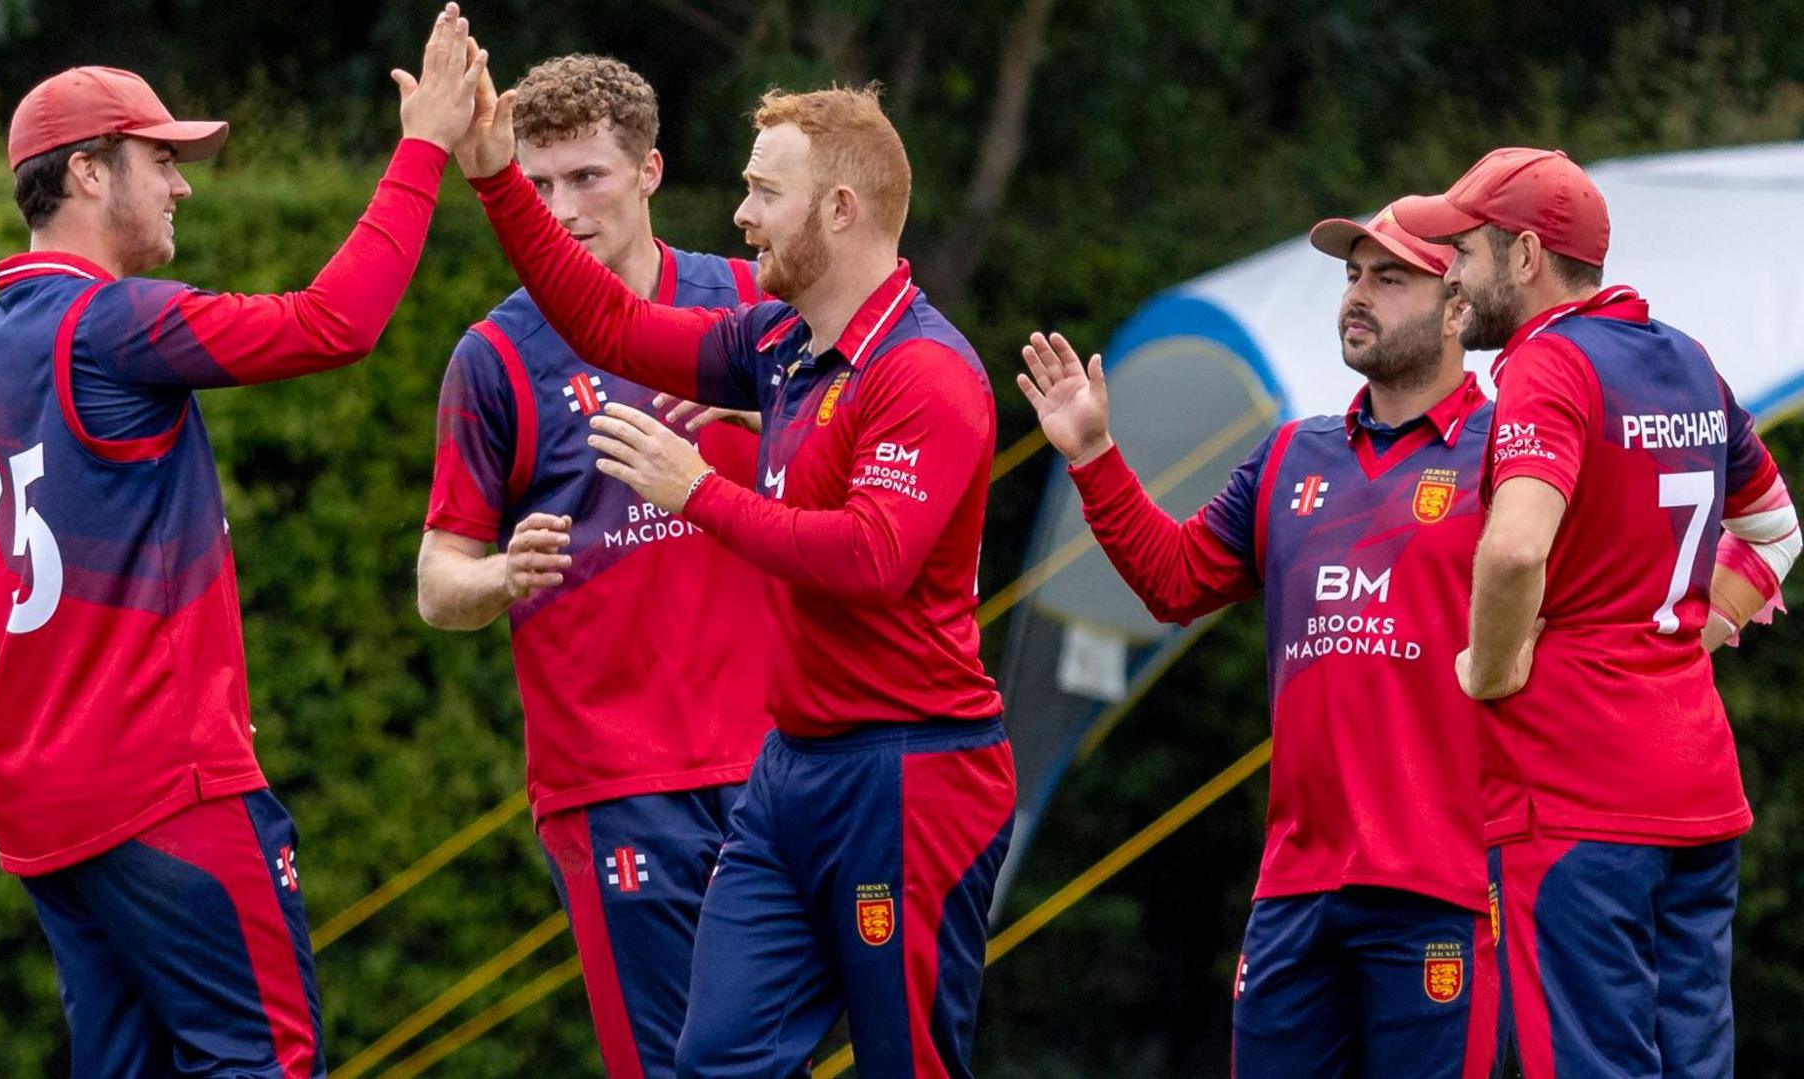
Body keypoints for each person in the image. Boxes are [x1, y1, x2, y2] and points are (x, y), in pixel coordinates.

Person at [0, 10, 485, 1075]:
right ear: (89, 174)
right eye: (162, 159)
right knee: (263, 1060)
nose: (183, 183)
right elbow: (339, 322)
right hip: (165, 785)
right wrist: (423, 142)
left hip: (49, 812)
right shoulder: (111, 323)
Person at [449, 77, 1013, 1077]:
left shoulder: (925, 371)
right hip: (790, 767)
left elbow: (871, 560)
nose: (740, 216)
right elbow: (610, 328)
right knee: (712, 1058)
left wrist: (697, 488)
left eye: (763, 193)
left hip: (909, 768)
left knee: (907, 1061)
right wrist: (494, 175)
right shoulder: (781, 346)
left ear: (839, 209)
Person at [1017, 204, 1499, 1077]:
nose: (1359, 294)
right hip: (1297, 893)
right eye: (1353, 275)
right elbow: (1174, 580)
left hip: (1442, 892)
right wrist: (1093, 456)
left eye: (1390, 278)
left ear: (1458, 308)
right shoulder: (1291, 458)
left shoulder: (1508, 456)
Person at [1393, 147, 1799, 1079]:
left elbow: (1515, 546)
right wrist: (1686, 633)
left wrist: (1486, 669)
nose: (1450, 268)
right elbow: (1776, 531)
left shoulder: (1548, 366)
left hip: (1573, 798)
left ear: (1526, 256)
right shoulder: (1686, 360)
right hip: (1696, 789)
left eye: (1466, 247)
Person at [415, 54, 773, 1078]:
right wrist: (503, 575)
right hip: (615, 784)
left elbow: (870, 488)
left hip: (786, 761)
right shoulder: (494, 357)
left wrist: (769, 415)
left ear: (651, 171)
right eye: (538, 185)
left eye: (588, 179)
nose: (562, 210)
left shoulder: (750, 305)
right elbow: (441, 579)